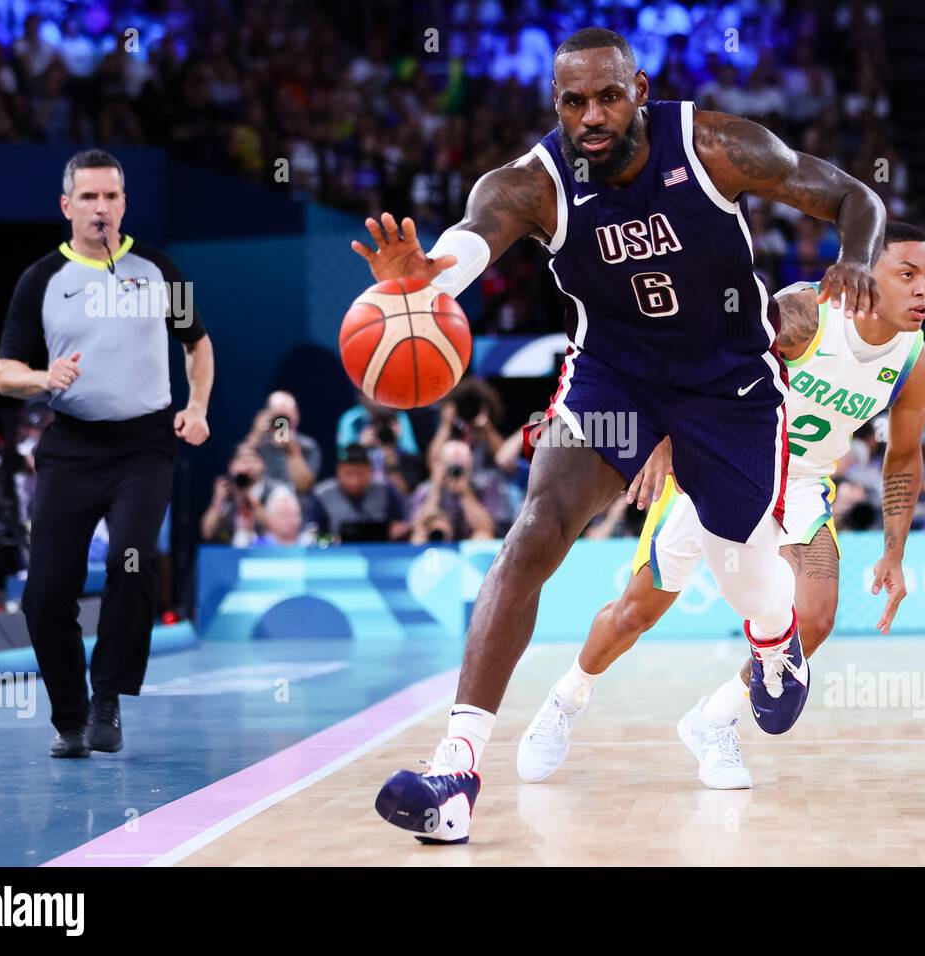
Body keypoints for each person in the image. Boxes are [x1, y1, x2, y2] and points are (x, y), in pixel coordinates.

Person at [359, 28, 886, 843]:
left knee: (745, 573)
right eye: (574, 102)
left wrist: (855, 256)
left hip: (730, 384)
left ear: (640, 88)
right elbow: (476, 232)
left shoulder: (714, 145)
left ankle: (775, 640)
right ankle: (456, 769)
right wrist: (431, 275)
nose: (592, 115)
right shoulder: (536, 183)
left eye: (608, 95)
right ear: (557, 106)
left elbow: (858, 197)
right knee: (534, 532)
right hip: (619, 380)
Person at [517, 223, 925, 788]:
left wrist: (894, 550)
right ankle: (567, 698)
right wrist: (662, 439)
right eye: (906, 275)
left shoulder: (915, 361)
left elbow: (903, 456)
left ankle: (713, 721)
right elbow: (700, 352)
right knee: (637, 611)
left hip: (803, 482)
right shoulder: (809, 314)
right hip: (723, 457)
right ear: (866, 273)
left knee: (813, 618)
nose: (921, 290)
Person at [0, 149, 213, 759]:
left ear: (124, 203)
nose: (101, 208)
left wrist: (196, 409)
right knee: (44, 592)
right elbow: (3, 372)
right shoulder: (41, 279)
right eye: (88, 197)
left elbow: (198, 345)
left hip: (145, 445)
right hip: (71, 445)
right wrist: (43, 378)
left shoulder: (160, 270)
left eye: (111, 196)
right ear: (67, 206)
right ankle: (70, 718)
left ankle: (108, 695)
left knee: (132, 561)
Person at [309, 443, 410, 542]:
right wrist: (330, 539)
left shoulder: (386, 490)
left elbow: (403, 523)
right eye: (348, 474)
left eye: (360, 474)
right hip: (337, 554)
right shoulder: (323, 493)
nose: (355, 481)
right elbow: (311, 535)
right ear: (338, 471)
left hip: (380, 550)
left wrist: (399, 530)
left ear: (370, 471)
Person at [408, 440, 496, 543]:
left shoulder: (481, 487)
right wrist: (436, 489)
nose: (455, 472)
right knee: (418, 538)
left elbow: (486, 528)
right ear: (440, 466)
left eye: (460, 468)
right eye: (451, 466)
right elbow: (419, 525)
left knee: (483, 536)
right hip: (438, 541)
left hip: (467, 546)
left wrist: (466, 493)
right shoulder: (425, 489)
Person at [200, 444, 289, 546]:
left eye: (252, 460)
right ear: (231, 466)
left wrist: (248, 497)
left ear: (262, 464)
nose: (248, 465)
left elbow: (279, 529)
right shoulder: (226, 492)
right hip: (229, 555)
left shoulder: (277, 492)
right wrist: (217, 501)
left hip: (265, 554)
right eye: (242, 460)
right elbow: (207, 532)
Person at [245, 391, 321, 494]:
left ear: (296, 417)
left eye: (285, 418)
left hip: (296, 503)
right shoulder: (258, 443)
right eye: (278, 417)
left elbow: (305, 487)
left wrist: (292, 451)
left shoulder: (308, 446)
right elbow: (240, 473)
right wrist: (255, 435)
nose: (281, 424)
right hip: (261, 501)